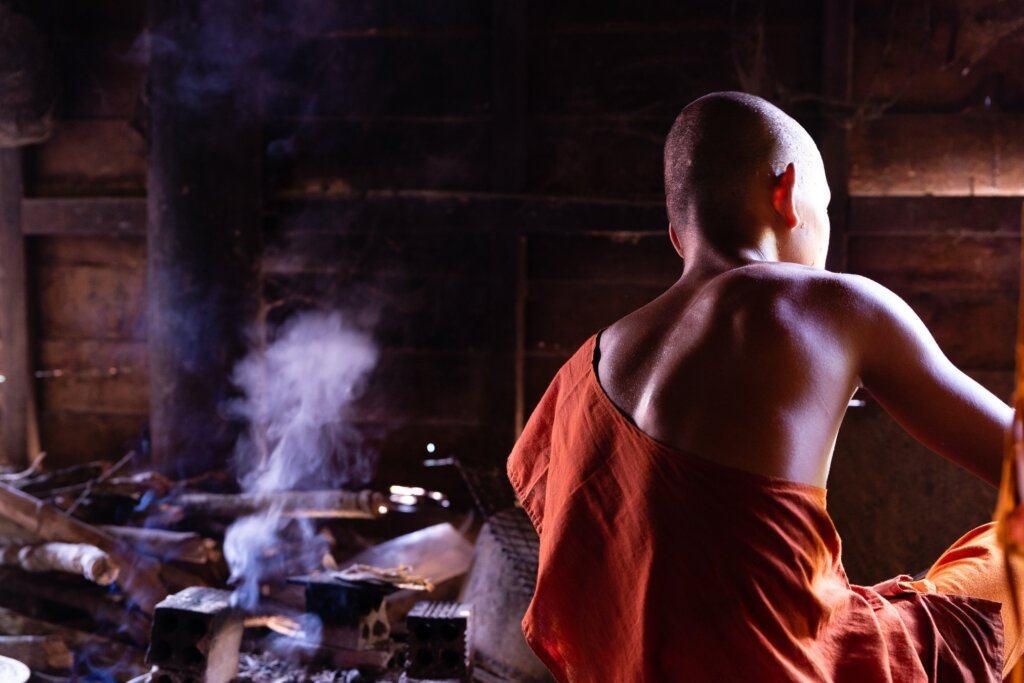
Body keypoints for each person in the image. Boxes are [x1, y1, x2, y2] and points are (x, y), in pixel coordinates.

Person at [506, 91, 1021, 682]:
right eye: (826, 208)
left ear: (678, 236)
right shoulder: (827, 302)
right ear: (789, 193)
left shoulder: (582, 368)